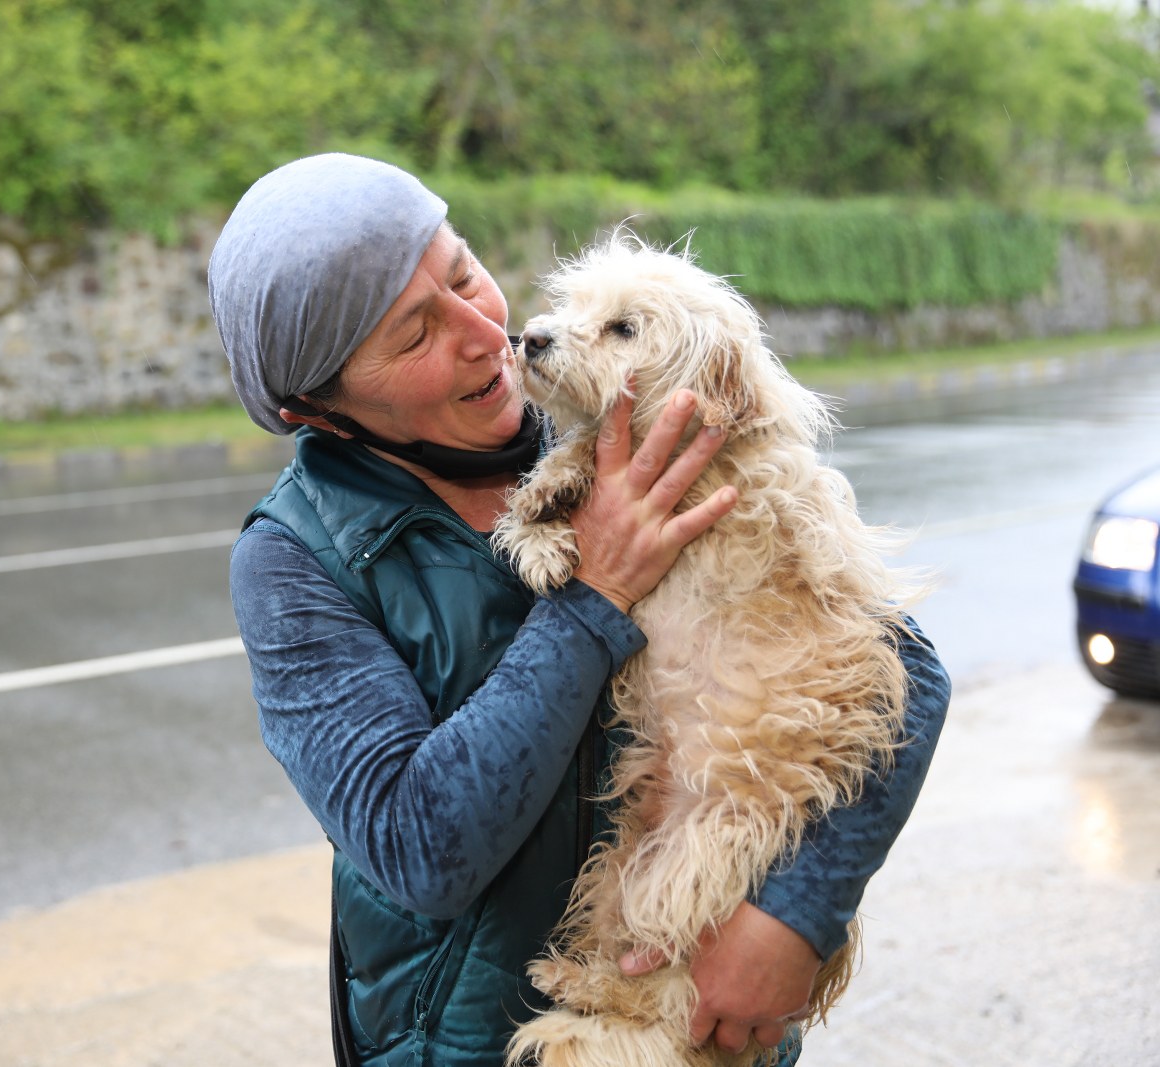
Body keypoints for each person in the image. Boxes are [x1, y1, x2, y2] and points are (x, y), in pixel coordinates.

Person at [211, 153, 950, 1067]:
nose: (486, 331)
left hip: (701, 1028)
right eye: (414, 336)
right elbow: (418, 848)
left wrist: (796, 915)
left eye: (462, 272)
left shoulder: (620, 428)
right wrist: (594, 593)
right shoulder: (294, 560)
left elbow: (903, 670)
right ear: (315, 409)